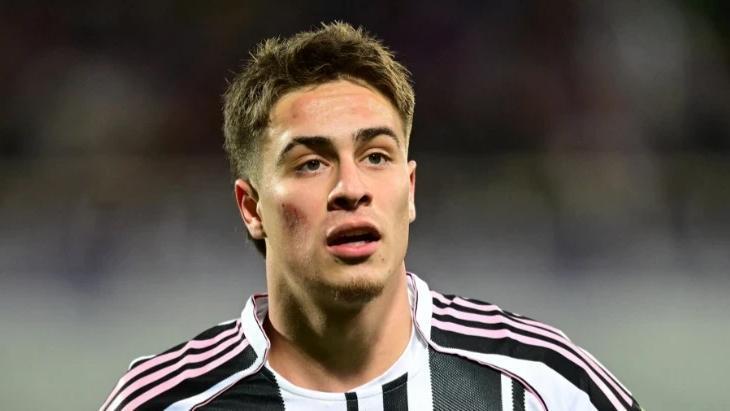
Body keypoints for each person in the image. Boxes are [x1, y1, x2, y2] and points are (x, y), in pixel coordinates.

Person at [101, 22, 642, 411]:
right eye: (311, 163)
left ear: (409, 190)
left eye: (376, 156)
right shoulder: (165, 402)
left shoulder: (542, 385)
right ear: (251, 208)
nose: (351, 189)